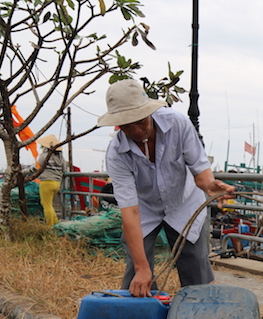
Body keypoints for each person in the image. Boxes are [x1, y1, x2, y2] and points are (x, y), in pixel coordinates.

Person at [97, 79, 235, 297]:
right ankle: (142, 316)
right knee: (137, 269)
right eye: (126, 126)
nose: (136, 130)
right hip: (144, 207)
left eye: (140, 121)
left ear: (149, 112)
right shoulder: (116, 153)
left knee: (195, 272)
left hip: (184, 201)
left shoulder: (177, 124)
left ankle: (196, 315)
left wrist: (210, 185)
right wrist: (143, 268)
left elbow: (200, 171)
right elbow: (130, 213)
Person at [23, 135, 65, 227]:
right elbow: (64, 169)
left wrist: (23, 172)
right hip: (57, 183)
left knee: (46, 205)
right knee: (50, 205)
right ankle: (56, 224)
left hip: (47, 182)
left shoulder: (44, 156)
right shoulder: (61, 158)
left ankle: (50, 226)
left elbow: (36, 168)